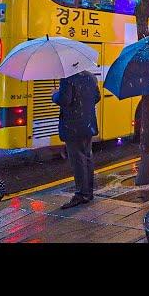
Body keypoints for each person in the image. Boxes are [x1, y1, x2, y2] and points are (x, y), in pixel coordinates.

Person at [52, 69, 101, 209]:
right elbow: (97, 97)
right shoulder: (90, 77)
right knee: (87, 157)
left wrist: (54, 95)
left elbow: (64, 100)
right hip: (88, 124)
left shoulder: (67, 78)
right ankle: (88, 192)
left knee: (77, 160)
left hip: (73, 126)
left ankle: (81, 195)